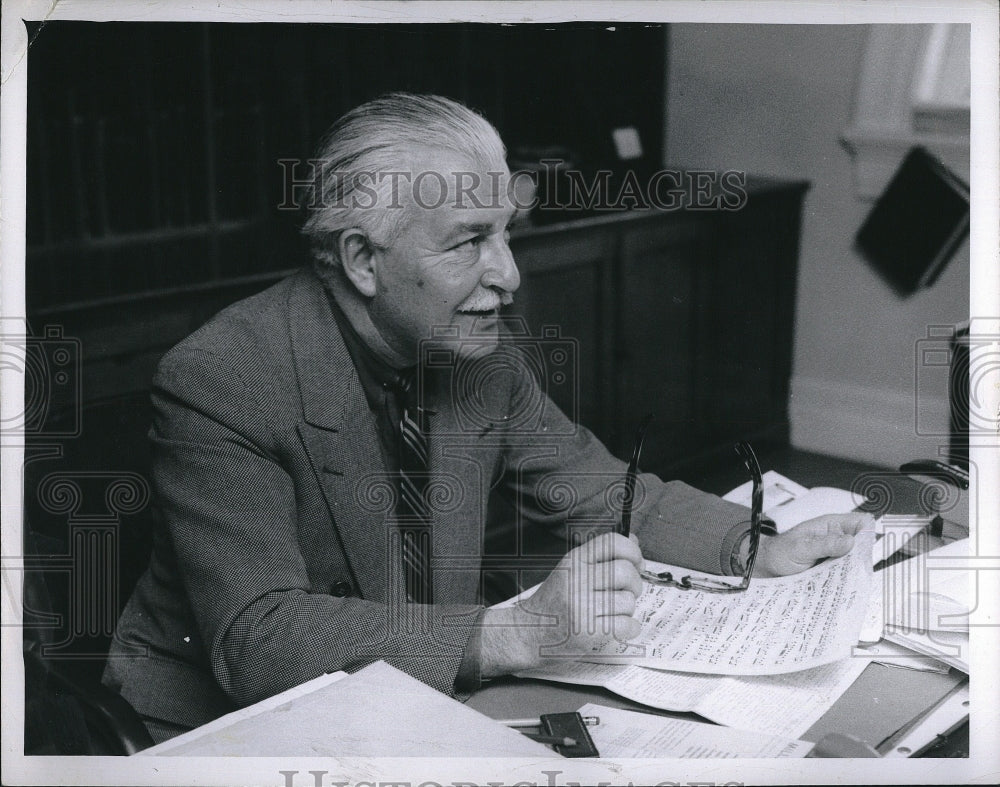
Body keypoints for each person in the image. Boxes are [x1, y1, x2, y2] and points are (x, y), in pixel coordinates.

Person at [103, 93, 869, 743]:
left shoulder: (478, 357)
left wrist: (754, 549)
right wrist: (518, 633)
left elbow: (601, 489)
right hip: (225, 726)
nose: (509, 274)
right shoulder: (223, 378)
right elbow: (258, 637)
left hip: (412, 690)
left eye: (506, 231)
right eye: (470, 241)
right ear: (363, 261)